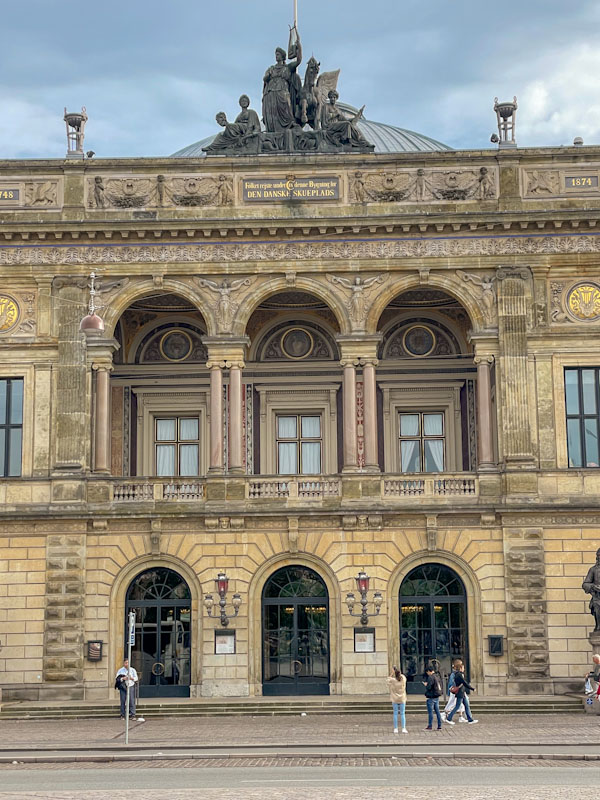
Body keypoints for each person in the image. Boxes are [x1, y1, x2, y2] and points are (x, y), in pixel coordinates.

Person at [387, 666, 407, 734]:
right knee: (402, 713)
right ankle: (403, 728)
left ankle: (395, 728)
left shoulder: (393, 680)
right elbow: (401, 676)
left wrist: (392, 673)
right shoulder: (403, 679)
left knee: (395, 713)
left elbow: (387, 680)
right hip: (402, 698)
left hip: (394, 698)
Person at [423, 666, 443, 730]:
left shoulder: (431, 677)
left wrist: (426, 685)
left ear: (429, 671)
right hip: (436, 696)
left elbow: (429, 687)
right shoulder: (437, 676)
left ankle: (430, 725)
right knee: (437, 712)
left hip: (431, 696)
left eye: (427, 672)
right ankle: (439, 725)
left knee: (430, 712)